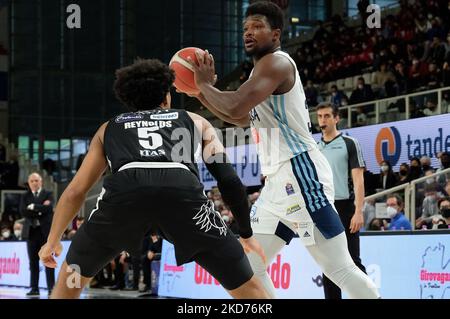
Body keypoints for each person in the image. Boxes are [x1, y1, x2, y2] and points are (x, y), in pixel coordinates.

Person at [186, 1, 379, 299]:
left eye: (257, 27)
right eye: (245, 29)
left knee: (340, 269)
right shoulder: (256, 75)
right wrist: (202, 91)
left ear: (276, 34)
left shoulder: (277, 63)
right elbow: (237, 116)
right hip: (277, 182)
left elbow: (235, 104)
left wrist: (203, 85)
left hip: (301, 173)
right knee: (249, 264)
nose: (248, 33)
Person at [38, 58, 268, 299]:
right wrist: (245, 233)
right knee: (249, 290)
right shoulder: (194, 120)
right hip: (182, 194)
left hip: (124, 197)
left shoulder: (109, 127)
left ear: (129, 100)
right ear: (166, 96)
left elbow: (76, 191)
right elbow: (229, 180)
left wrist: (52, 241)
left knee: (67, 285)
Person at [316, 102, 368, 299]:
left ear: (337, 118)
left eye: (327, 116)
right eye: (320, 116)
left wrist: (358, 211)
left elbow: (358, 181)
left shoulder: (349, 143)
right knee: (329, 265)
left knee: (353, 261)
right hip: (324, 209)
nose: (323, 120)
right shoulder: (314, 147)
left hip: (346, 207)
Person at [19, 172, 55, 296]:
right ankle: (34, 288)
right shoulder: (25, 196)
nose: (34, 183)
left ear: (41, 182)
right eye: (32, 181)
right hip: (31, 232)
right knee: (33, 262)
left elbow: (49, 209)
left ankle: (51, 288)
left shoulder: (48, 194)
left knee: (48, 260)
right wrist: (41, 210)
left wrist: (33, 206)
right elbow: (23, 212)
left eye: (36, 180)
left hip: (45, 233)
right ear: (29, 183)